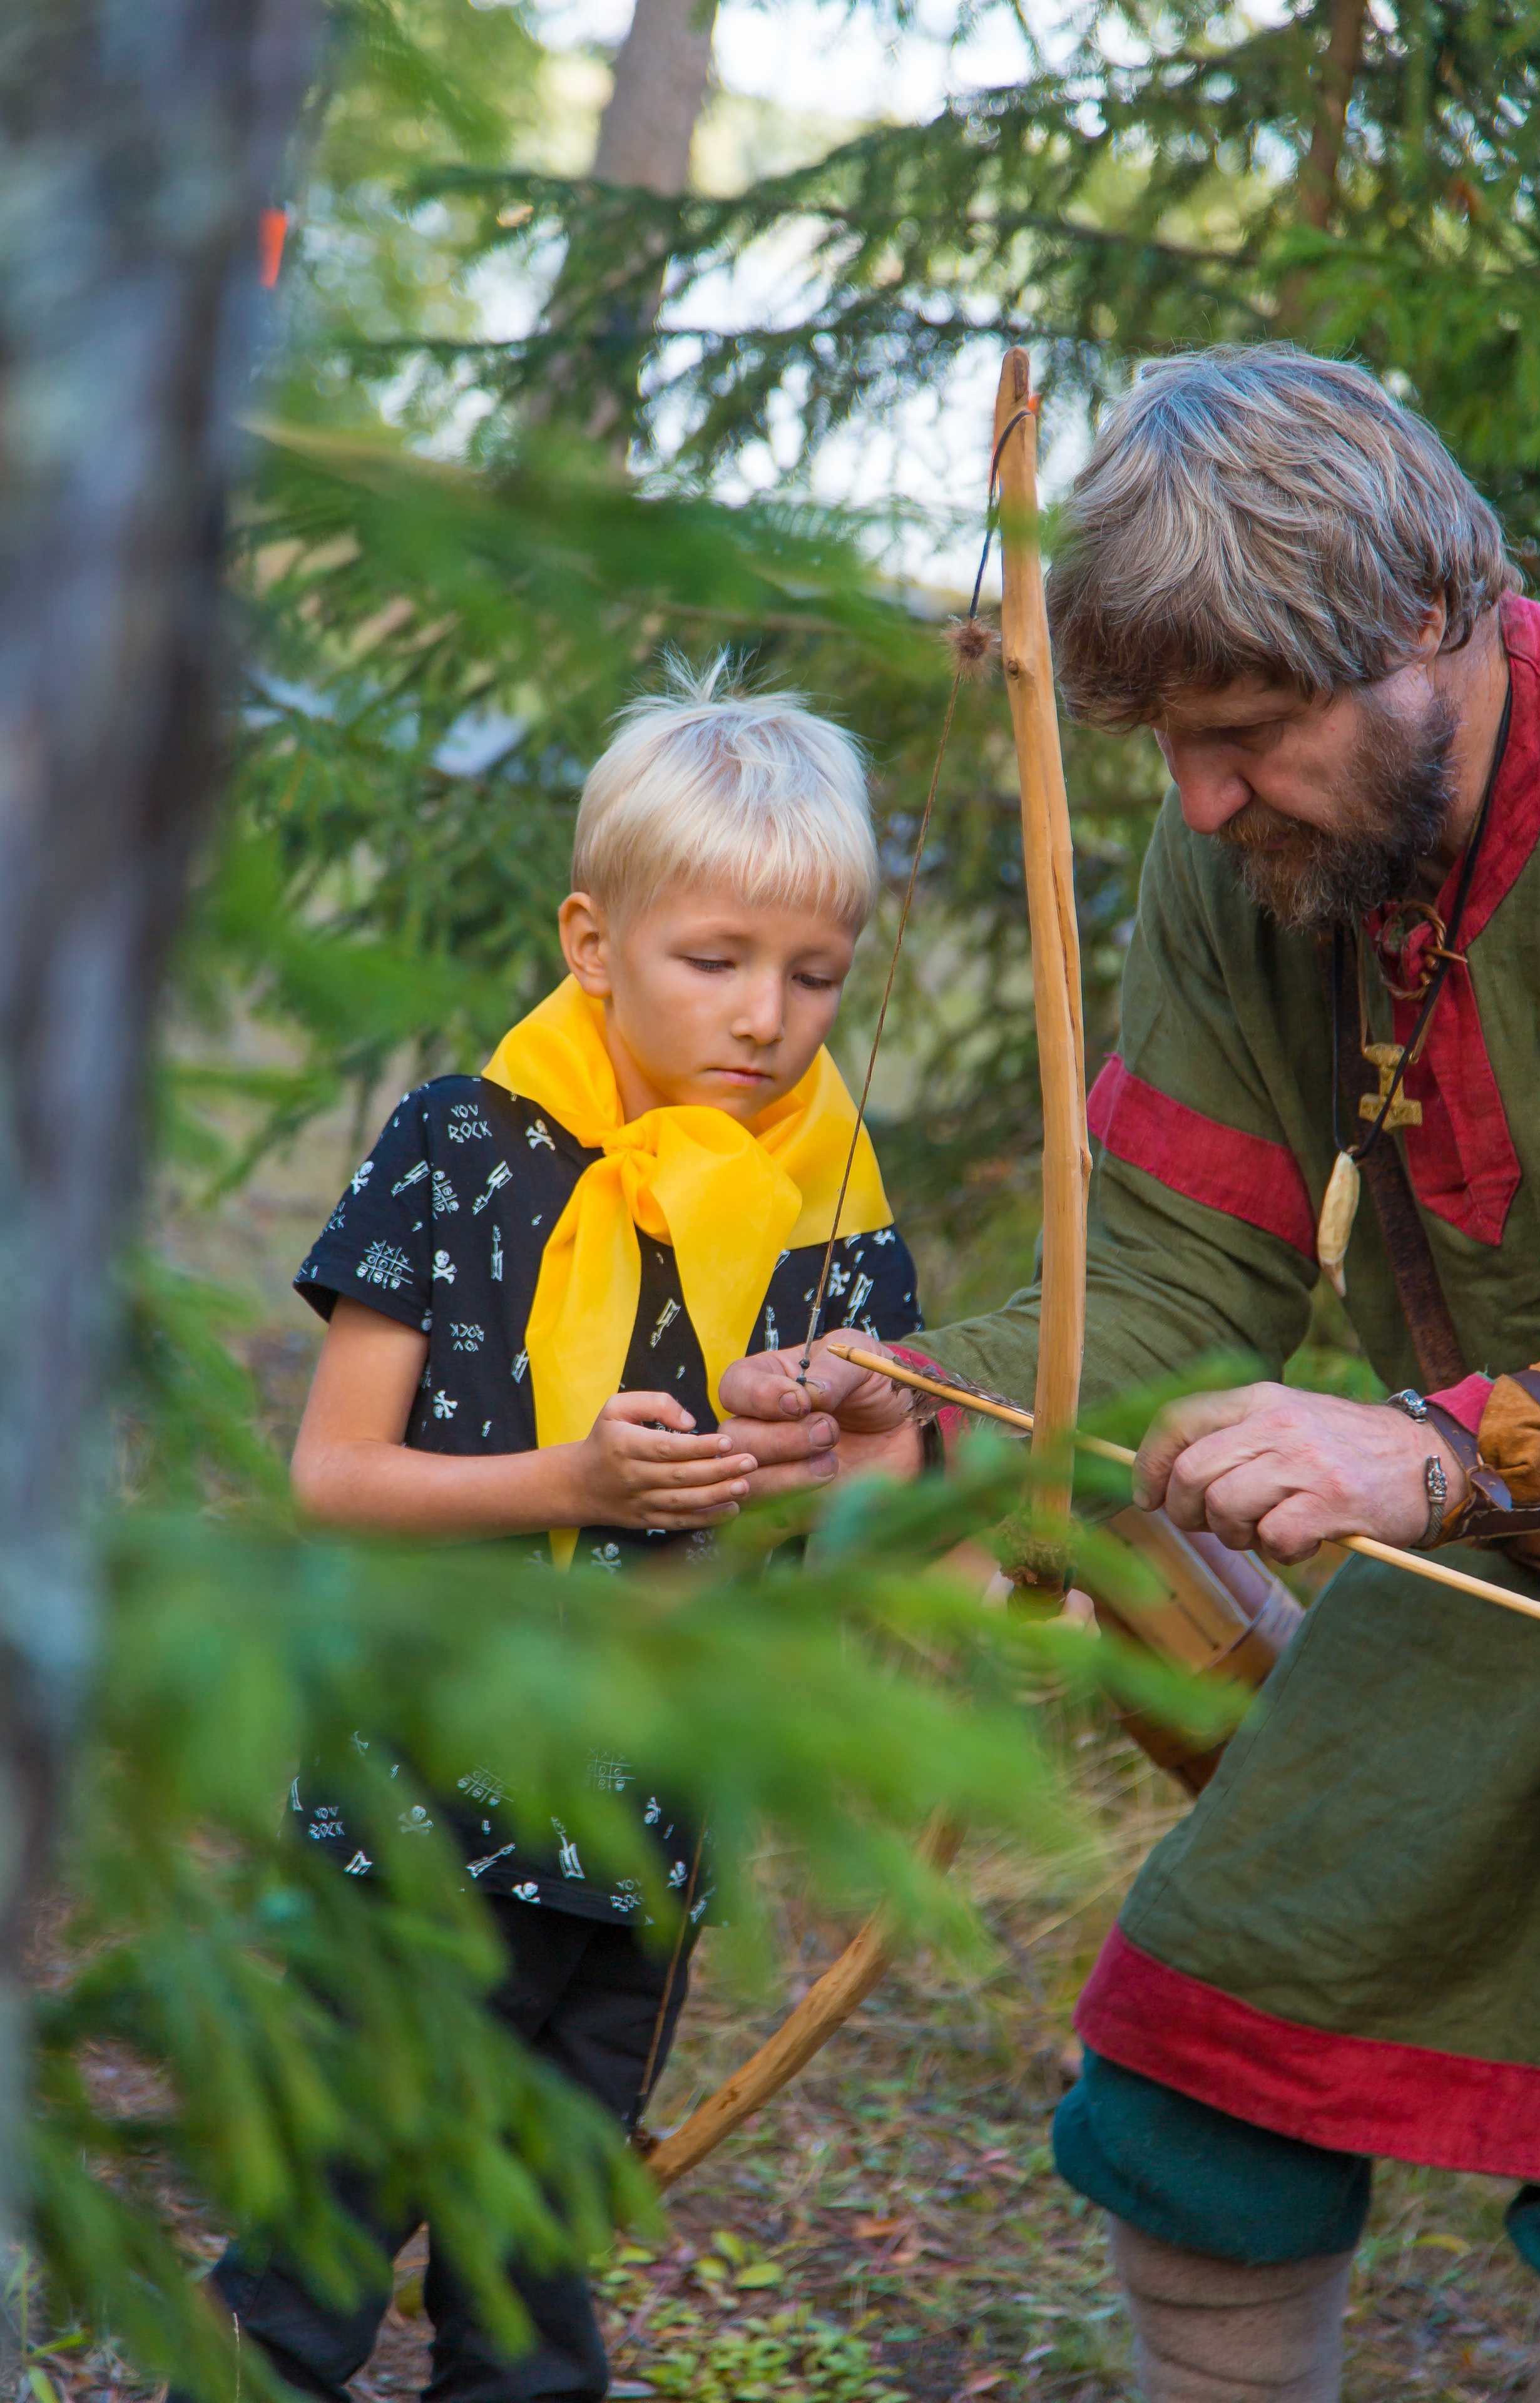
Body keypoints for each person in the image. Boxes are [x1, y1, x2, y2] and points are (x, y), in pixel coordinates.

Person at [719, 349, 1540, 2400]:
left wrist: (1440, 1456)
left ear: (1425, 623)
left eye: (1246, 736)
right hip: (1500, 1594)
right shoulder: (1259, 850)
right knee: (1203, 2076)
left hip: (1475, 1511)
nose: (1200, 803)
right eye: (1172, 747)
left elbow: (1428, 1461)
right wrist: (933, 1411)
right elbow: (1172, 1261)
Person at [201, 664, 922, 2403]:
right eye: (717, 960)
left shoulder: (827, 1199)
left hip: (640, 1831)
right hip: (413, 1803)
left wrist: (870, 1436)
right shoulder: (462, 1148)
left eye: (814, 976)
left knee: (530, 2303)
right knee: (313, 2254)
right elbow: (335, 1481)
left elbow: (858, 1552)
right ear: (594, 940)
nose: (768, 1018)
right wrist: (571, 1486)